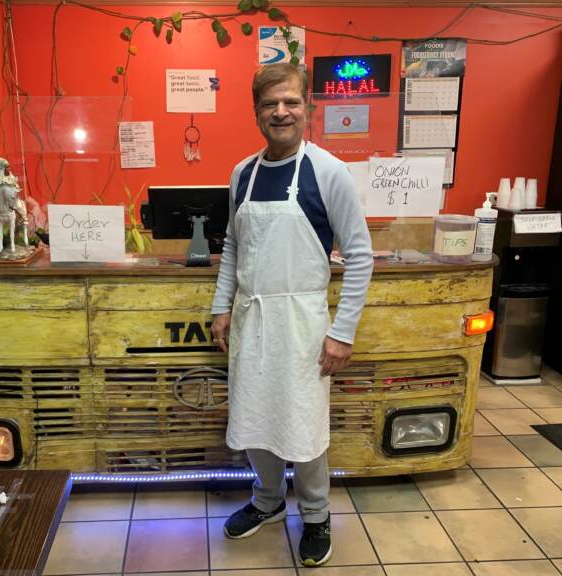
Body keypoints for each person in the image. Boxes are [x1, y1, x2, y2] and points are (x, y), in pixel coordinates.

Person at [210, 63, 373, 567]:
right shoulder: (243, 173)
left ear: (308, 109)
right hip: (252, 320)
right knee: (255, 417)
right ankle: (267, 501)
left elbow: (361, 255)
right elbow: (235, 247)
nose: (281, 112)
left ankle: (318, 514)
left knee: (303, 427)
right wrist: (221, 307)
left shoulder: (328, 172)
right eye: (269, 104)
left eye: (291, 102)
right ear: (256, 112)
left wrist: (341, 332)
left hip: (303, 323)